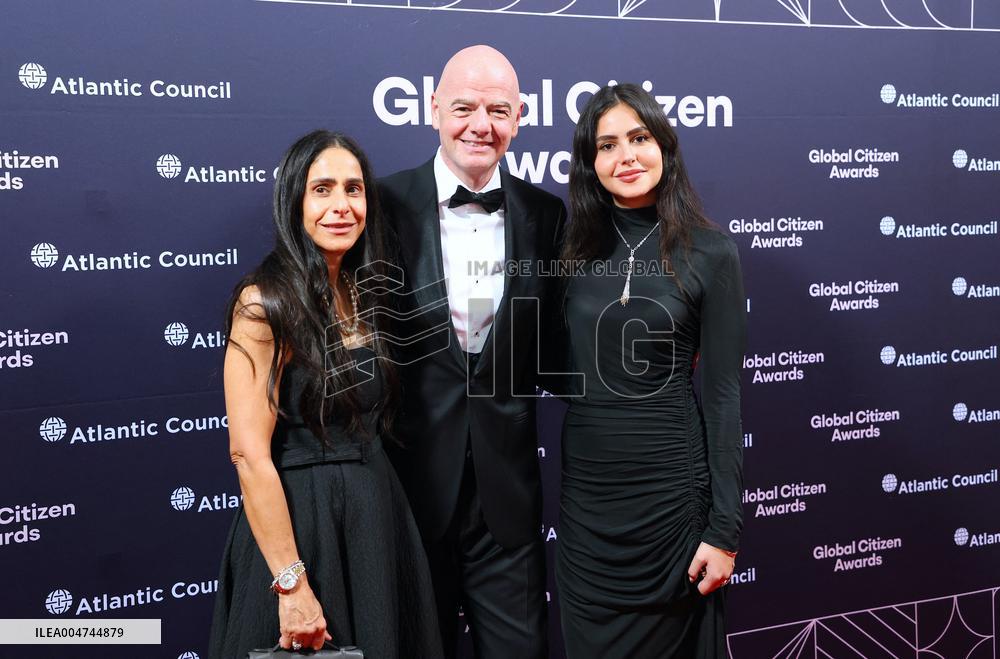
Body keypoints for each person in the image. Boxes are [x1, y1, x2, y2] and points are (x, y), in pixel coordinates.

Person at [208, 130, 443, 659]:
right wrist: (292, 585)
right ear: (294, 201)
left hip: (375, 522)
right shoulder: (263, 303)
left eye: (354, 190)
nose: (342, 206)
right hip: (301, 526)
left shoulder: (363, 291)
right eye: (323, 190)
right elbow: (248, 455)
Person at [378, 45, 566, 658]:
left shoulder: (545, 214)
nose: (480, 125)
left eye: (498, 110)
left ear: (519, 117)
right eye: (463, 107)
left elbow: (565, 340)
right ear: (432, 108)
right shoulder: (379, 207)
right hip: (408, 493)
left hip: (506, 503)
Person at [556, 83, 746, 658]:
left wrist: (724, 529)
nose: (626, 156)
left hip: (673, 507)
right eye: (607, 145)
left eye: (639, 138)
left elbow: (722, 395)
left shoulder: (712, 253)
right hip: (588, 512)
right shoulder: (569, 249)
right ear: (591, 163)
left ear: (664, 144)